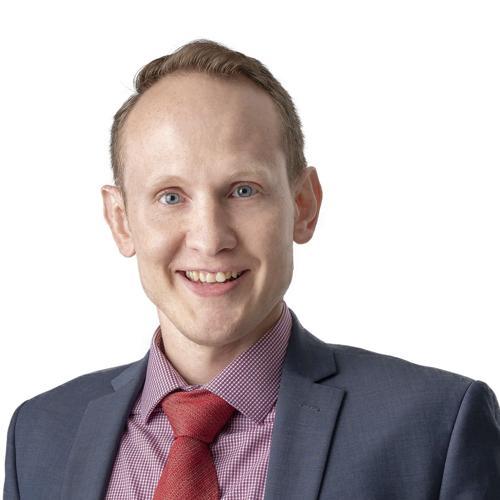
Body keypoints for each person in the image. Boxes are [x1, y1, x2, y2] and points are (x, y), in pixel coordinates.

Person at [3, 39, 500, 500]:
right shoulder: (39, 434)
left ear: (303, 205)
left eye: (243, 190)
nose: (210, 238)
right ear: (120, 220)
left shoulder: (436, 427)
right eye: (171, 197)